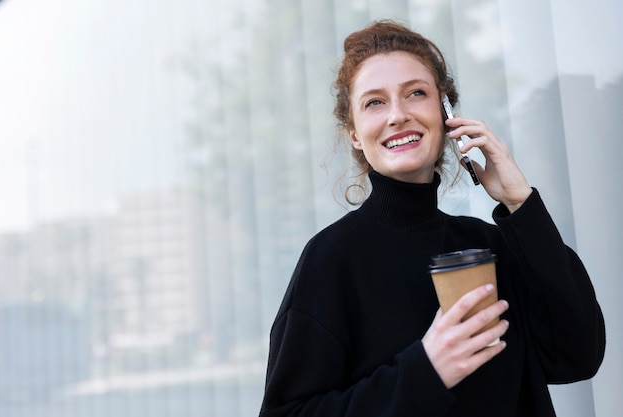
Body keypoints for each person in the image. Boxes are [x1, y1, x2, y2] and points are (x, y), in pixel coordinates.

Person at [258, 20, 605, 417]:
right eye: (374, 102)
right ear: (354, 133)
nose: (398, 115)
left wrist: (519, 202)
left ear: (445, 114)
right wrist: (427, 370)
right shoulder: (330, 260)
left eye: (416, 94)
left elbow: (579, 356)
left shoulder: (492, 246)